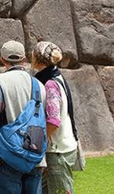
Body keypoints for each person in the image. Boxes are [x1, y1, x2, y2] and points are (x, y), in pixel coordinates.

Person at [0, 40, 47, 194]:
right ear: (24, 59)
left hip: (8, 157)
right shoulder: (39, 85)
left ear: (2, 59)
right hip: (35, 156)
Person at [32, 41, 78, 194]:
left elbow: (53, 120)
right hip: (62, 148)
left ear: (38, 60)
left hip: (57, 152)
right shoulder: (56, 76)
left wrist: (39, 142)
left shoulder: (50, 83)